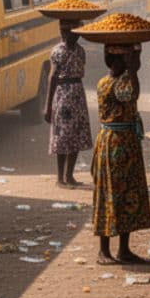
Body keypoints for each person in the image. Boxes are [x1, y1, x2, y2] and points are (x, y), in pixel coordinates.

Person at [91, 45, 150, 264]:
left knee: (127, 195)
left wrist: (133, 67)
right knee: (111, 195)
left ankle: (123, 250)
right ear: (114, 61)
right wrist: (134, 70)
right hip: (116, 143)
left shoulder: (109, 81)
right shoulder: (114, 84)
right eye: (125, 58)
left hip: (124, 142)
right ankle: (104, 251)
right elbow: (130, 94)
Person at [45, 22, 92, 187]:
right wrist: (48, 106)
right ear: (64, 33)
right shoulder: (57, 51)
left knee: (77, 135)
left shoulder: (81, 51)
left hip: (77, 93)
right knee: (62, 136)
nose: (74, 36)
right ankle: (60, 177)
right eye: (69, 32)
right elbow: (52, 78)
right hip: (63, 93)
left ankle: (69, 175)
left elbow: (82, 71)